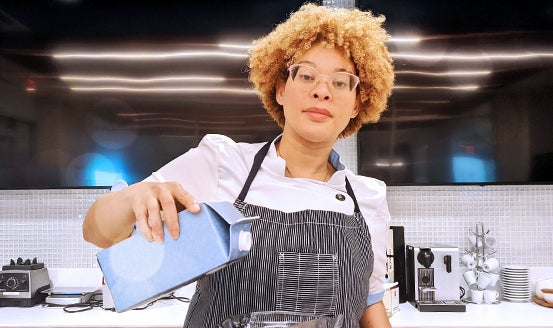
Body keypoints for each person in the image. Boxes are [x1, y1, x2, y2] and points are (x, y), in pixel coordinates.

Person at [82, 3, 394, 327]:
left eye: (341, 82)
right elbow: (96, 232)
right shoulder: (222, 163)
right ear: (281, 88)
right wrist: (133, 198)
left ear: (359, 102)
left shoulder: (368, 198)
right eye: (306, 75)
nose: (321, 91)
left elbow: (369, 305)